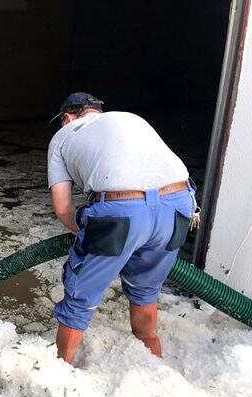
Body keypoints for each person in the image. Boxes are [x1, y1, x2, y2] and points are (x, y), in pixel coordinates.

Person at [47, 92, 198, 363]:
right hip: (179, 204)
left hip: (120, 211)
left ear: (67, 118)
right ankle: (152, 358)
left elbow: (62, 208)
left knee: (80, 298)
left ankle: (60, 372)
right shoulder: (130, 119)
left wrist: (85, 235)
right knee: (145, 290)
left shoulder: (64, 135)